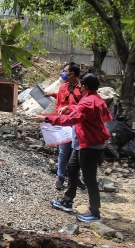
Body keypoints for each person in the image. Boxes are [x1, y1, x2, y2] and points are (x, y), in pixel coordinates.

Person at [36, 73, 112, 223]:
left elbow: (73, 119)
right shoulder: (97, 100)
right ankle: (67, 201)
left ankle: (94, 212)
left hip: (89, 144)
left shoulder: (88, 102)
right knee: (71, 168)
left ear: (85, 86)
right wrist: (69, 108)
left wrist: (47, 119)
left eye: (81, 86)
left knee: (89, 178)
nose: (79, 88)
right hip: (84, 142)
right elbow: (89, 114)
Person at [45, 62, 85, 191]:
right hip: (63, 123)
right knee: (63, 151)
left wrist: (69, 109)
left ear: (72, 73)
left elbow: (83, 106)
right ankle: (60, 177)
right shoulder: (63, 88)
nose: (63, 73)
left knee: (76, 152)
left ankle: (75, 177)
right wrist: (55, 119)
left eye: (65, 71)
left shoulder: (83, 89)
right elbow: (59, 104)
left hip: (76, 124)